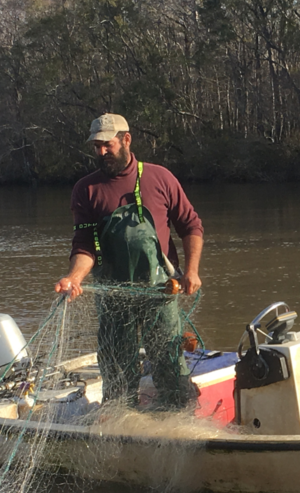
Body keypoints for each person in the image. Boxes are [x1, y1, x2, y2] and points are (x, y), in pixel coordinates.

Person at [54, 113, 204, 408]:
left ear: (126, 139)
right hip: (113, 295)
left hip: (160, 292)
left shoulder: (160, 177)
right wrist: (74, 278)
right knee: (117, 369)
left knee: (169, 362)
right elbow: (86, 245)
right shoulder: (85, 190)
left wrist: (192, 271)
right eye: (96, 146)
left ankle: (178, 418)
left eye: (106, 145)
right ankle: (124, 422)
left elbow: (191, 226)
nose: (101, 152)